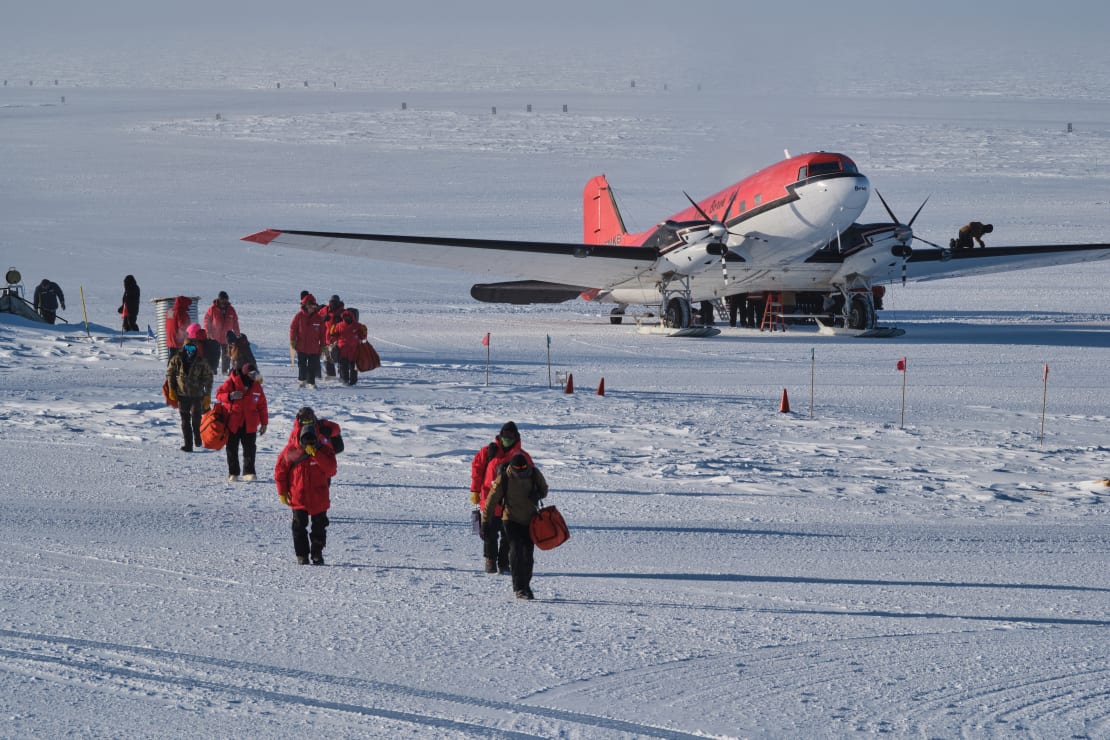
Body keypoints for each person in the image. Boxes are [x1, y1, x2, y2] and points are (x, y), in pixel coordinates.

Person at [469, 421, 532, 574]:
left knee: (508, 536)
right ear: (500, 435)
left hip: (511, 504)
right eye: (505, 435)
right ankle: (490, 560)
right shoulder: (488, 451)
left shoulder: (522, 456)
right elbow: (477, 470)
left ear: (516, 437)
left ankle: (504, 563)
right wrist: (475, 491)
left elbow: (531, 476)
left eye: (511, 436)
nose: (508, 438)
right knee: (489, 533)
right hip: (489, 499)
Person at [483, 453, 548, 600]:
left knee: (528, 556)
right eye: (517, 469)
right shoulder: (504, 478)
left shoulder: (534, 474)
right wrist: (485, 522)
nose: (520, 471)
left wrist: (537, 494)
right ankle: (519, 588)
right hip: (510, 519)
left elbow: (544, 490)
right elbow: (490, 501)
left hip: (530, 520)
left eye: (523, 468)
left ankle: (526, 585)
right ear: (511, 467)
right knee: (516, 551)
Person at [275, 422, 338, 565]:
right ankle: (302, 555)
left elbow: (331, 470)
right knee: (299, 526)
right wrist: (282, 492)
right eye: (305, 440)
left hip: (319, 497)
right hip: (298, 496)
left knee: (319, 526)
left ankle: (317, 553)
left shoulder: (324, 450)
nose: (308, 443)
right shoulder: (291, 451)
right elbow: (280, 471)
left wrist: (317, 454)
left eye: (312, 440)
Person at [216, 363, 268, 482]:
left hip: (250, 423)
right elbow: (219, 394)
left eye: (256, 374)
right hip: (233, 422)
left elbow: (262, 405)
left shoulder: (257, 386)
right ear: (245, 374)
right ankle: (233, 473)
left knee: (250, 448)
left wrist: (264, 423)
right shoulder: (232, 382)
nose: (255, 376)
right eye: (252, 374)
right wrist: (230, 396)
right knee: (232, 448)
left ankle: (249, 472)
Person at [165, 338, 214, 452]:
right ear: (184, 347)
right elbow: (170, 373)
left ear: (196, 348)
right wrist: (172, 389)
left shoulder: (201, 361)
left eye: (192, 348)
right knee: (185, 419)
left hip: (197, 394)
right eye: (188, 348)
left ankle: (197, 435)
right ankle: (188, 445)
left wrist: (207, 394)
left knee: (196, 418)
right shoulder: (177, 359)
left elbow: (208, 378)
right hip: (182, 394)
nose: (190, 350)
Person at [290, 293, 327, 389]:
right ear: (305, 306)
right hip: (301, 346)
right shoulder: (299, 316)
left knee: (312, 366)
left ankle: (311, 382)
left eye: (313, 306)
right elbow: (293, 328)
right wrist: (293, 340)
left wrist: (323, 345)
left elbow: (323, 333)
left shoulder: (319, 319)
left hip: (314, 348)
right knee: (301, 365)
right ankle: (303, 380)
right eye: (309, 306)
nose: (311, 308)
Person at [204, 291, 240, 375]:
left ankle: (225, 370)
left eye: (225, 300)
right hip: (214, 336)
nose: (224, 302)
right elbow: (207, 320)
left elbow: (235, 322)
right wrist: (208, 332)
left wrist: (237, 333)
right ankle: (213, 369)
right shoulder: (212, 309)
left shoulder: (231, 310)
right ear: (219, 300)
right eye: (222, 300)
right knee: (214, 354)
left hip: (226, 337)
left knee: (227, 354)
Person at [328, 308, 368, 386]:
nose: (347, 318)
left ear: (352, 317)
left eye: (348, 316)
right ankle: (344, 380)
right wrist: (332, 334)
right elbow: (334, 336)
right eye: (345, 316)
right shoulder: (339, 325)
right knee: (343, 367)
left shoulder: (357, 326)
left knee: (353, 367)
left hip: (354, 350)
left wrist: (364, 332)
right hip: (342, 350)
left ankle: (353, 381)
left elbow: (362, 337)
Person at [321, 295, 345, 378]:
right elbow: (316, 317)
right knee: (326, 357)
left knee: (340, 357)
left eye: (335, 302)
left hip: (338, 339)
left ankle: (343, 375)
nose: (333, 304)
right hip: (327, 338)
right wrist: (322, 318)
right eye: (331, 302)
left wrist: (342, 321)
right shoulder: (325, 310)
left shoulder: (343, 312)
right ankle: (331, 375)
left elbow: (349, 322)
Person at [165, 296, 192, 360]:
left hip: (170, 339)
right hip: (179, 341)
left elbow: (168, 324)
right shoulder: (181, 312)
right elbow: (183, 327)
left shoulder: (170, 311)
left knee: (172, 357)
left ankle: (170, 369)